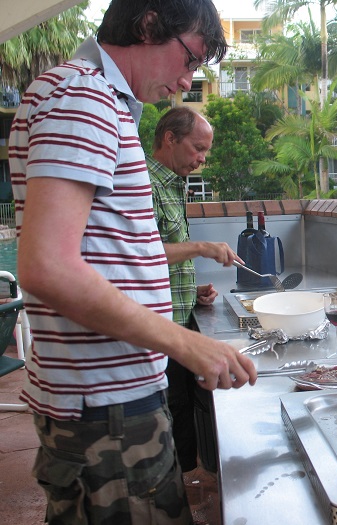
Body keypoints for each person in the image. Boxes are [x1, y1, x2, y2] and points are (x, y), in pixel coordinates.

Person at [8, 1, 257, 523]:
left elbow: (112, 252)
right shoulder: (83, 96)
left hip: (112, 395)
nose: (187, 81)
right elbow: (48, 266)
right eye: (189, 59)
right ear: (149, 25)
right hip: (105, 405)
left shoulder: (99, 100)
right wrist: (187, 344)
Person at [147, 106, 238, 477]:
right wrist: (202, 247)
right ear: (170, 139)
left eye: (206, 152)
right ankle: (178, 487)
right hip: (158, 327)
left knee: (183, 406)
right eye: (198, 148)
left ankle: (189, 481)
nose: (202, 159)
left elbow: (164, 256)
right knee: (172, 411)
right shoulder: (145, 184)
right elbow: (142, 253)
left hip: (179, 315)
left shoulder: (173, 183)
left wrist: (190, 289)